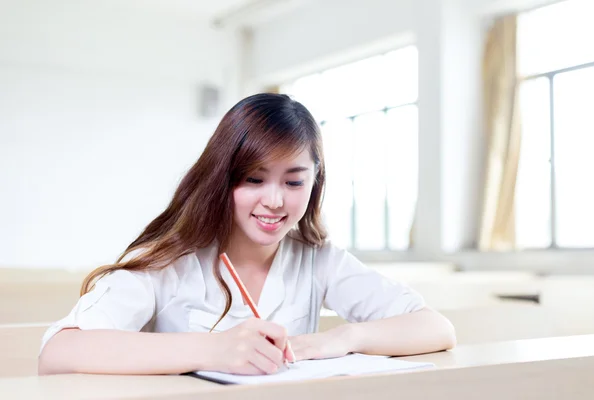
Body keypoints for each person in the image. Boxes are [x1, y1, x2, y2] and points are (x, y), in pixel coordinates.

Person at [38, 93, 456, 376]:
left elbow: (436, 327)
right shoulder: (172, 257)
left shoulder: (317, 257)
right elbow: (58, 353)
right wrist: (213, 351)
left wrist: (344, 337)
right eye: (254, 180)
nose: (274, 201)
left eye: (294, 183)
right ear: (222, 177)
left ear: (315, 183)